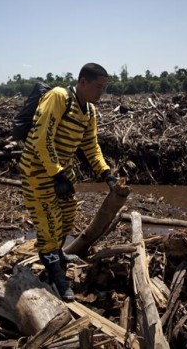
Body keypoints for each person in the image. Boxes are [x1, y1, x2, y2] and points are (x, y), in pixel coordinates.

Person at [18, 62, 117, 301]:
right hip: (37, 171)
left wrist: (106, 173)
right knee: (49, 224)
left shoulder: (90, 111)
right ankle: (56, 278)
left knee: (68, 216)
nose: (101, 93)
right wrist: (56, 174)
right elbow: (43, 139)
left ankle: (57, 256)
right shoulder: (59, 97)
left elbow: (91, 146)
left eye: (104, 88)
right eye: (98, 87)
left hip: (62, 171)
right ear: (82, 82)